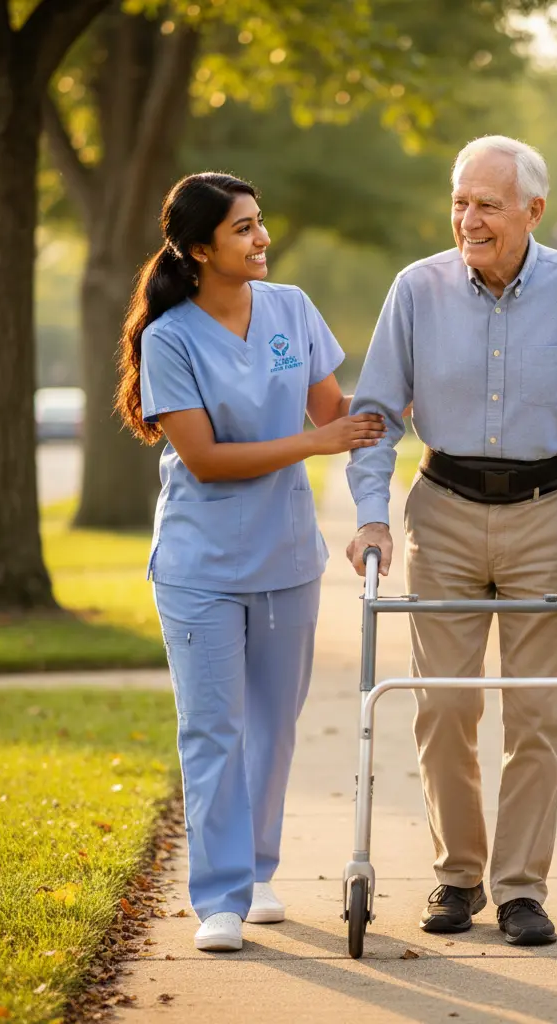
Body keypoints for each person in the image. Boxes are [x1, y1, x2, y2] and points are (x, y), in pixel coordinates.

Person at [345, 136, 557, 946]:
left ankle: (521, 888)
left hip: (551, 515)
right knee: (443, 706)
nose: (468, 219)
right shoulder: (416, 290)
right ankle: (458, 878)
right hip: (443, 511)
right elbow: (375, 418)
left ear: (532, 210)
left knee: (537, 712)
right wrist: (371, 515)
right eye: (459, 201)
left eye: (486, 203)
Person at [115, 172, 385, 953]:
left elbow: (336, 412)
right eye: (242, 229)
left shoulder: (291, 309)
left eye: (260, 223)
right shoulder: (169, 337)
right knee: (213, 730)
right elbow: (202, 459)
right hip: (201, 564)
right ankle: (220, 898)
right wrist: (315, 443)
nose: (261, 238)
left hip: (287, 557)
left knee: (273, 728)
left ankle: (258, 870)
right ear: (199, 250)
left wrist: (414, 399)